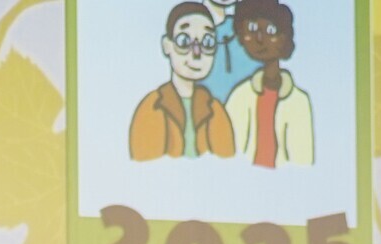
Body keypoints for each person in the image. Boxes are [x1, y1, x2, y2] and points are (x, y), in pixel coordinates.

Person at [129, 3, 237, 160]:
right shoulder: (152, 106)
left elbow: (228, 160)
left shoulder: (215, 109)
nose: (196, 53)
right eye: (184, 41)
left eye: (207, 42)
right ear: (167, 45)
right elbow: (143, 163)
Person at [222, 0, 314, 167]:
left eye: (270, 30)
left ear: (283, 38)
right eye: (252, 29)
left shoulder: (299, 101)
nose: (259, 38)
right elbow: (228, 155)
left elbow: (304, 161)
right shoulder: (239, 96)